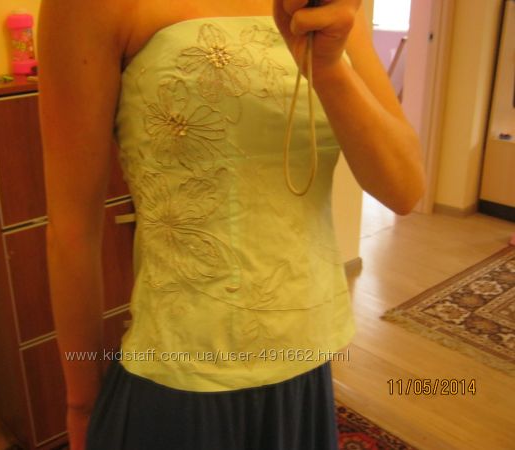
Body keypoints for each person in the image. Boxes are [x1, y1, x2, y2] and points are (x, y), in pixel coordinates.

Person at [37, 0, 425, 449]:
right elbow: (72, 230)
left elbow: (403, 190)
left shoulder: (330, 5)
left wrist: (328, 68)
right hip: (181, 384)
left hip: (305, 368)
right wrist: (82, 406)